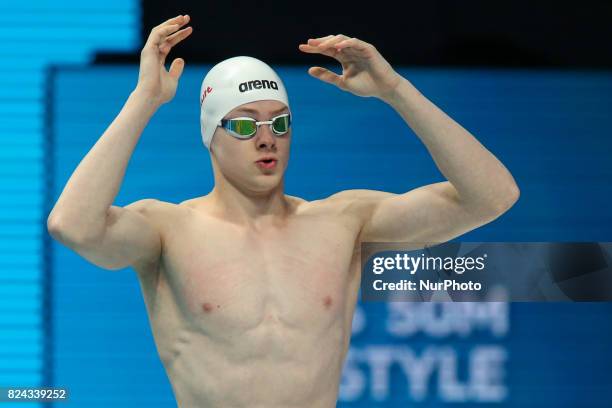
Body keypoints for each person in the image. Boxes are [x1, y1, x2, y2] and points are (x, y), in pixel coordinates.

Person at [47, 14, 519, 408]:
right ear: (210, 136)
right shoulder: (167, 230)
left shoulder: (343, 222)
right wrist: (143, 99)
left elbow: (492, 195)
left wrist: (394, 89)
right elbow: (73, 224)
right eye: (243, 125)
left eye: (279, 121)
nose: (266, 137)